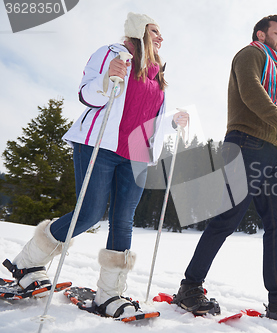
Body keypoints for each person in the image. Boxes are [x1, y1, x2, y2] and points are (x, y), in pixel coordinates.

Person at [3, 12, 187, 319]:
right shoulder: (113, 55)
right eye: (155, 31)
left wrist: (172, 123)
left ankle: (109, 294)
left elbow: (147, 120)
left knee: (123, 220)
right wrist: (107, 79)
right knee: (88, 212)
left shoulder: (158, 75)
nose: (160, 38)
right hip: (100, 145)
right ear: (139, 32)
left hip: (137, 152)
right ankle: (27, 263)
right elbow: (87, 94)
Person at [172, 15, 277, 323]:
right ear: (261, 34)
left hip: (269, 151)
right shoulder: (250, 54)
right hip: (245, 145)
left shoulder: (275, 68)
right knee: (227, 218)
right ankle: (190, 288)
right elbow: (251, 92)